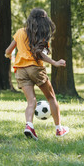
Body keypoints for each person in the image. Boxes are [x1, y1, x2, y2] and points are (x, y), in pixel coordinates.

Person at [5, 8, 69, 140]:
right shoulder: (41, 35)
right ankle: (59, 129)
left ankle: (29, 125)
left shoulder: (20, 32)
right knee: (51, 98)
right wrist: (55, 62)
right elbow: (40, 55)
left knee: (31, 101)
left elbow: (8, 50)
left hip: (20, 70)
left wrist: (7, 55)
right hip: (35, 68)